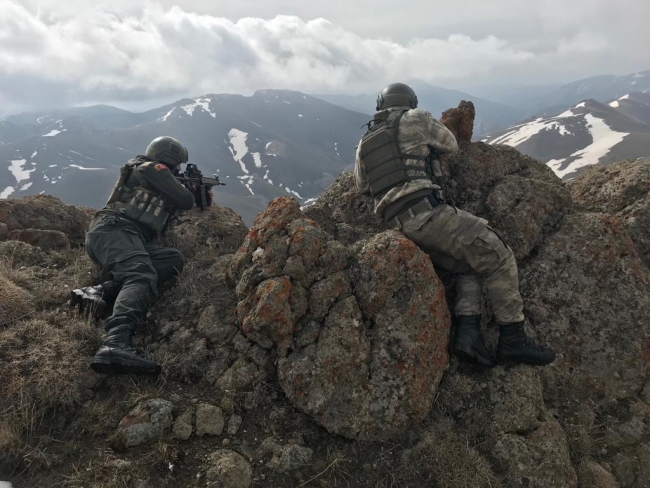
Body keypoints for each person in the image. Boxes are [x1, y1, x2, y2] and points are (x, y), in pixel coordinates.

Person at [354, 82, 555, 367]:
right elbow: (450, 144)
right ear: (409, 102)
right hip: (428, 214)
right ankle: (513, 338)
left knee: (469, 263)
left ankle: (468, 335)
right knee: (498, 255)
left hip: (398, 227)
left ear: (380, 105)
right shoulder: (416, 118)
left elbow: (362, 185)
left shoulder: (365, 142)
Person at [71, 136, 196, 375]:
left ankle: (98, 292)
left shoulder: (149, 172)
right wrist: (189, 189)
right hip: (114, 230)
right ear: (166, 159)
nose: (179, 169)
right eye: (177, 164)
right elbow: (185, 200)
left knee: (172, 259)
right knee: (141, 275)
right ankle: (115, 343)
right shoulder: (151, 168)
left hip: (123, 236)